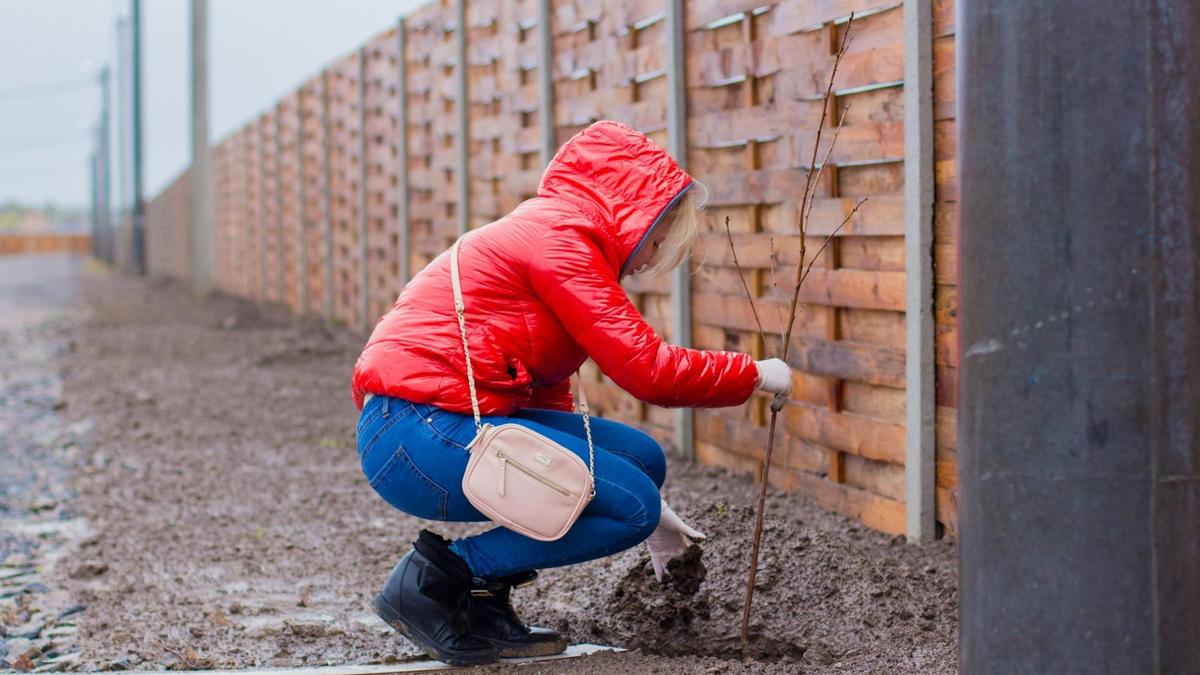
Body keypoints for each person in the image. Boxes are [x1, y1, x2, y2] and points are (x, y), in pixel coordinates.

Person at [351, 120, 793, 666]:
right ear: (633, 214)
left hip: (431, 423)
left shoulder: (555, 234)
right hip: (415, 432)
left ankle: (485, 601)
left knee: (639, 460)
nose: (653, 258)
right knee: (631, 506)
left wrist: (657, 517)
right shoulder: (560, 242)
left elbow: (545, 403)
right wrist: (753, 374)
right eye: (658, 238)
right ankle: (441, 583)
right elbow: (649, 371)